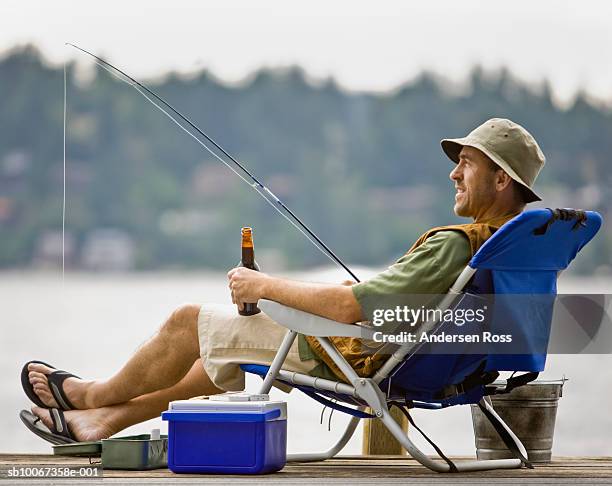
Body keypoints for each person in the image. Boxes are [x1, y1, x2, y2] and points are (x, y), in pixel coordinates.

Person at [21, 117, 545, 443]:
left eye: (468, 164)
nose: (454, 173)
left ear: (501, 180)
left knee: (188, 324)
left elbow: (351, 310)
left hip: (361, 359)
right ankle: (103, 424)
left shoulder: (457, 245)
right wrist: (325, 294)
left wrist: (264, 287)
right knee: (220, 348)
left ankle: (90, 397)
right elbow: (378, 303)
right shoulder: (516, 250)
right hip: (438, 366)